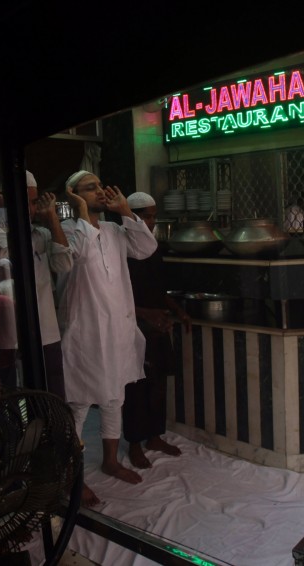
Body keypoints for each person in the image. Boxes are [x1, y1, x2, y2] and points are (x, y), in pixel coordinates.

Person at [57, 170, 158, 506]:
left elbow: (146, 248)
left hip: (117, 329)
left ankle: (110, 460)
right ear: (73, 196)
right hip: (86, 333)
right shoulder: (67, 231)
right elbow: (81, 255)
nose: (100, 191)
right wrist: (81, 213)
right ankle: (71, 477)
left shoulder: (115, 229)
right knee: (80, 404)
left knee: (116, 395)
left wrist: (126, 211)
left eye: (101, 185)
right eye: (91, 188)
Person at [123, 192, 188, 469]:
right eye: (146, 216)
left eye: (153, 216)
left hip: (157, 324)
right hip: (132, 326)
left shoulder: (153, 247)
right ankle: (135, 444)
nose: (151, 221)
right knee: (135, 386)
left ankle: (154, 436)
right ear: (132, 217)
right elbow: (116, 297)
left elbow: (158, 289)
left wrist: (178, 310)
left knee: (158, 382)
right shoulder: (122, 249)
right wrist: (145, 314)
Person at [26, 170, 73, 400]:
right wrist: (0, 214)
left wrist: (52, 217)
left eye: (33, 203)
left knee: (54, 395)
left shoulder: (42, 235)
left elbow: (64, 264)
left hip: (47, 329)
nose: (30, 209)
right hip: (17, 334)